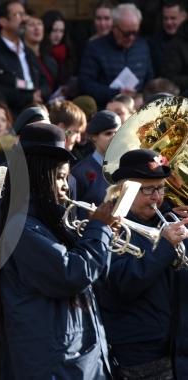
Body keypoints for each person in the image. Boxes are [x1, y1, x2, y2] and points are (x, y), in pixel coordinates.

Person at [0, 122, 116, 379]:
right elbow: (71, 275)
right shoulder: (20, 227)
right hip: (53, 362)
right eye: (60, 177)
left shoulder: (53, 222)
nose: (66, 186)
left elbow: (97, 277)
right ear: (40, 176)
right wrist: (99, 230)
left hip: (79, 355)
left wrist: (101, 234)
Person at [96, 148, 188, 378]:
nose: (157, 197)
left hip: (176, 344)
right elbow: (123, 284)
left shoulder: (165, 220)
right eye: (148, 189)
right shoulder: (109, 226)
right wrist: (166, 246)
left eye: (160, 188)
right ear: (124, 190)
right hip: (140, 351)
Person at [0, 0, 49, 116]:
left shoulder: (28, 52)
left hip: (35, 114)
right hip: (9, 119)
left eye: (24, 14)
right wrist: (29, 98)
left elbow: (43, 81)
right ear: (3, 22)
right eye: (18, 14)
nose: (24, 19)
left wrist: (41, 93)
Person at [79, 3, 153, 108]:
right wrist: (116, 93)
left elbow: (149, 78)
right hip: (107, 110)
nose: (131, 38)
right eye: (126, 34)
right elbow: (85, 84)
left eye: (135, 33)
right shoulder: (95, 48)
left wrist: (142, 96)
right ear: (115, 28)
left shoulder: (142, 46)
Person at [71, 110, 120, 214]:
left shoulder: (127, 167)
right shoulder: (79, 172)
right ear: (94, 137)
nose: (115, 137)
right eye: (108, 133)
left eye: (118, 132)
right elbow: (73, 213)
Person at [149, 0, 187, 76]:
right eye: (165, 18)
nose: (168, 22)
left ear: (184, 17)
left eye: (173, 18)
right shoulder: (154, 43)